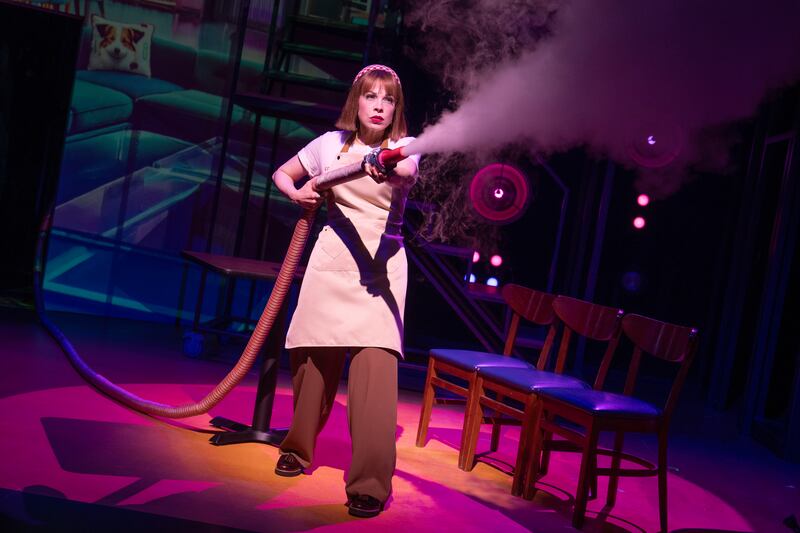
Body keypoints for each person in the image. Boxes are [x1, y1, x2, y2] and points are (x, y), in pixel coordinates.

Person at [270, 64, 420, 518]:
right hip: (331, 261)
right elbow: (282, 174)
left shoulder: (405, 148)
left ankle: (370, 483)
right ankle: (296, 448)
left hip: (380, 270)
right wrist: (296, 194)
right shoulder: (328, 145)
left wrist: (385, 167)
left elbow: (406, 173)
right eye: (371, 96)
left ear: (396, 109)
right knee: (312, 360)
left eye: (388, 99)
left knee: (376, 371)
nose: (378, 106)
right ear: (356, 102)